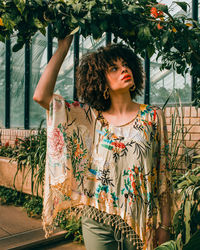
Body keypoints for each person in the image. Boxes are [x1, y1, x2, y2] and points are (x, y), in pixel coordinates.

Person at [33, 35, 173, 250]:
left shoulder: (153, 116)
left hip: (140, 219)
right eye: (113, 69)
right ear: (100, 79)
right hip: (97, 219)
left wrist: (166, 225)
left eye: (126, 65)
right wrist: (63, 47)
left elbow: (163, 174)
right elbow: (41, 96)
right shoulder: (89, 117)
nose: (124, 70)